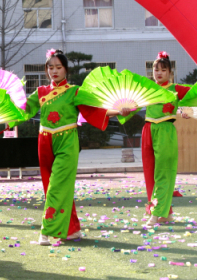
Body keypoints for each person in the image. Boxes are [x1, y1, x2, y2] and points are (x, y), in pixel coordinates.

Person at [15, 49, 128, 246]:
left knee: (57, 186)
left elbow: (94, 110)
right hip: (44, 142)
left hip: (67, 141)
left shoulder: (74, 91)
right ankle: (72, 229)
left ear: (66, 69)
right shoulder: (41, 92)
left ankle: (48, 231)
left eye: (58, 67)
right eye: (50, 67)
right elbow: (22, 111)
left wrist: (118, 110)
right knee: (56, 187)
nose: (54, 71)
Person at [141, 52, 192, 227]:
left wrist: (187, 112)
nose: (159, 73)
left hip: (165, 131)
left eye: (163, 70)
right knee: (150, 174)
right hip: (147, 130)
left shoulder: (177, 89)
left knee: (163, 172)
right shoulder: (147, 88)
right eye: (156, 69)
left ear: (170, 72)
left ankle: (156, 214)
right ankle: (166, 212)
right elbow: (131, 104)